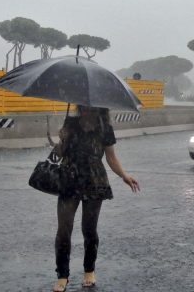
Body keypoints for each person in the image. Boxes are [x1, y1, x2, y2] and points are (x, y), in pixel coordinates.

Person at [51, 105, 140, 292]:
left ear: (99, 110)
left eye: (91, 109)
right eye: (84, 108)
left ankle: (89, 270)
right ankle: (62, 275)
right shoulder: (70, 123)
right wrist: (60, 140)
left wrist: (124, 176)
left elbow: (111, 157)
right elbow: (60, 153)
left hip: (94, 181)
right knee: (63, 230)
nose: (87, 112)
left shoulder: (105, 127)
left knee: (89, 229)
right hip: (69, 180)